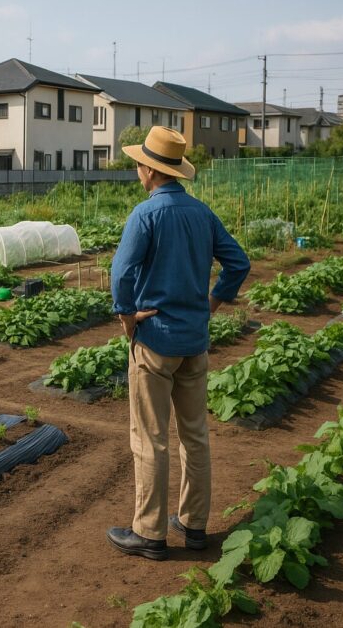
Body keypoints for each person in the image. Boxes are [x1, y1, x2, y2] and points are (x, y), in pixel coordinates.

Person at [106, 127, 250, 561]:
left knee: (150, 438)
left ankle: (149, 534)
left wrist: (128, 317)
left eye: (138, 164)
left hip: (156, 341)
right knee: (195, 436)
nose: (137, 169)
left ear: (150, 171)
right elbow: (238, 264)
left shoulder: (145, 215)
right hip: (194, 341)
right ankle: (193, 526)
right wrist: (211, 304)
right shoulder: (202, 213)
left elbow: (120, 274)